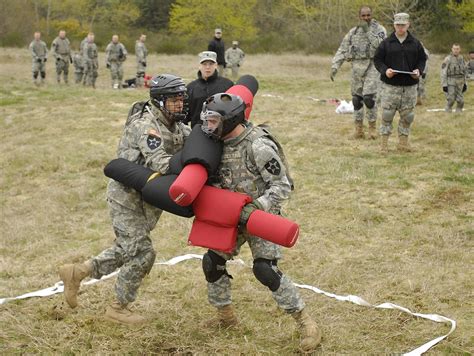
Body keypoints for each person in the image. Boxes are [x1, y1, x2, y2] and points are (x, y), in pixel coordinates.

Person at [58, 74, 191, 324]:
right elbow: (161, 163)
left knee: (127, 248)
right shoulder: (146, 125)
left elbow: (190, 139)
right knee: (142, 253)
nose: (180, 105)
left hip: (149, 199)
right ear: (160, 101)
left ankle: (78, 271)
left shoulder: (176, 125)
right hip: (126, 198)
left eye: (181, 99)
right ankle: (117, 308)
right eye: (174, 100)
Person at [199, 93, 321, 353]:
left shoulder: (258, 145)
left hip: (260, 215)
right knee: (212, 262)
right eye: (207, 121)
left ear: (230, 121)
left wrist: (256, 208)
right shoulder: (216, 143)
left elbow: (281, 186)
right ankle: (226, 317)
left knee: (265, 270)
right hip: (230, 215)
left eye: (214, 121)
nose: (209, 126)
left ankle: (305, 322)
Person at [330, 6, 386, 139]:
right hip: (356, 67)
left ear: (371, 15)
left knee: (369, 98)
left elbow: (381, 46)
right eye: (363, 16)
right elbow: (342, 49)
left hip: (372, 66)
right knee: (357, 99)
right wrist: (335, 66)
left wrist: (368, 32)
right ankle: (359, 130)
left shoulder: (379, 30)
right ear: (359, 16)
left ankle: (372, 129)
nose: (366, 18)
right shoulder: (353, 32)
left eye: (368, 15)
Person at [374, 13, 427, 152]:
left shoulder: (415, 43)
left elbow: (422, 60)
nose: (400, 28)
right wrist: (385, 71)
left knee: (407, 116)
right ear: (394, 25)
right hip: (390, 87)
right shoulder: (386, 43)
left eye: (403, 25)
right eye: (398, 25)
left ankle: (403, 145)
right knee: (387, 115)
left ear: (408, 24)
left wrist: (418, 71)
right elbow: (377, 60)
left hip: (409, 87)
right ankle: (384, 146)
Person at [184, 51, 233, 128]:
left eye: (211, 64)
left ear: (216, 65)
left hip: (222, 133)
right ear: (199, 66)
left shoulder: (227, 85)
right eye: (204, 64)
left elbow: (233, 111)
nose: (207, 67)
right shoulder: (190, 88)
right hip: (198, 133)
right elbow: (184, 117)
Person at [441, 44, 468, 113]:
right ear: (452, 49)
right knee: (451, 99)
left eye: (457, 49)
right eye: (454, 49)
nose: (456, 51)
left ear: (460, 50)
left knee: (461, 100)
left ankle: (458, 113)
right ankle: (448, 112)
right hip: (451, 81)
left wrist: (465, 83)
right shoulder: (448, 59)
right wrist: (444, 85)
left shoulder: (462, 59)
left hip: (460, 81)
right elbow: (443, 72)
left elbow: (465, 72)